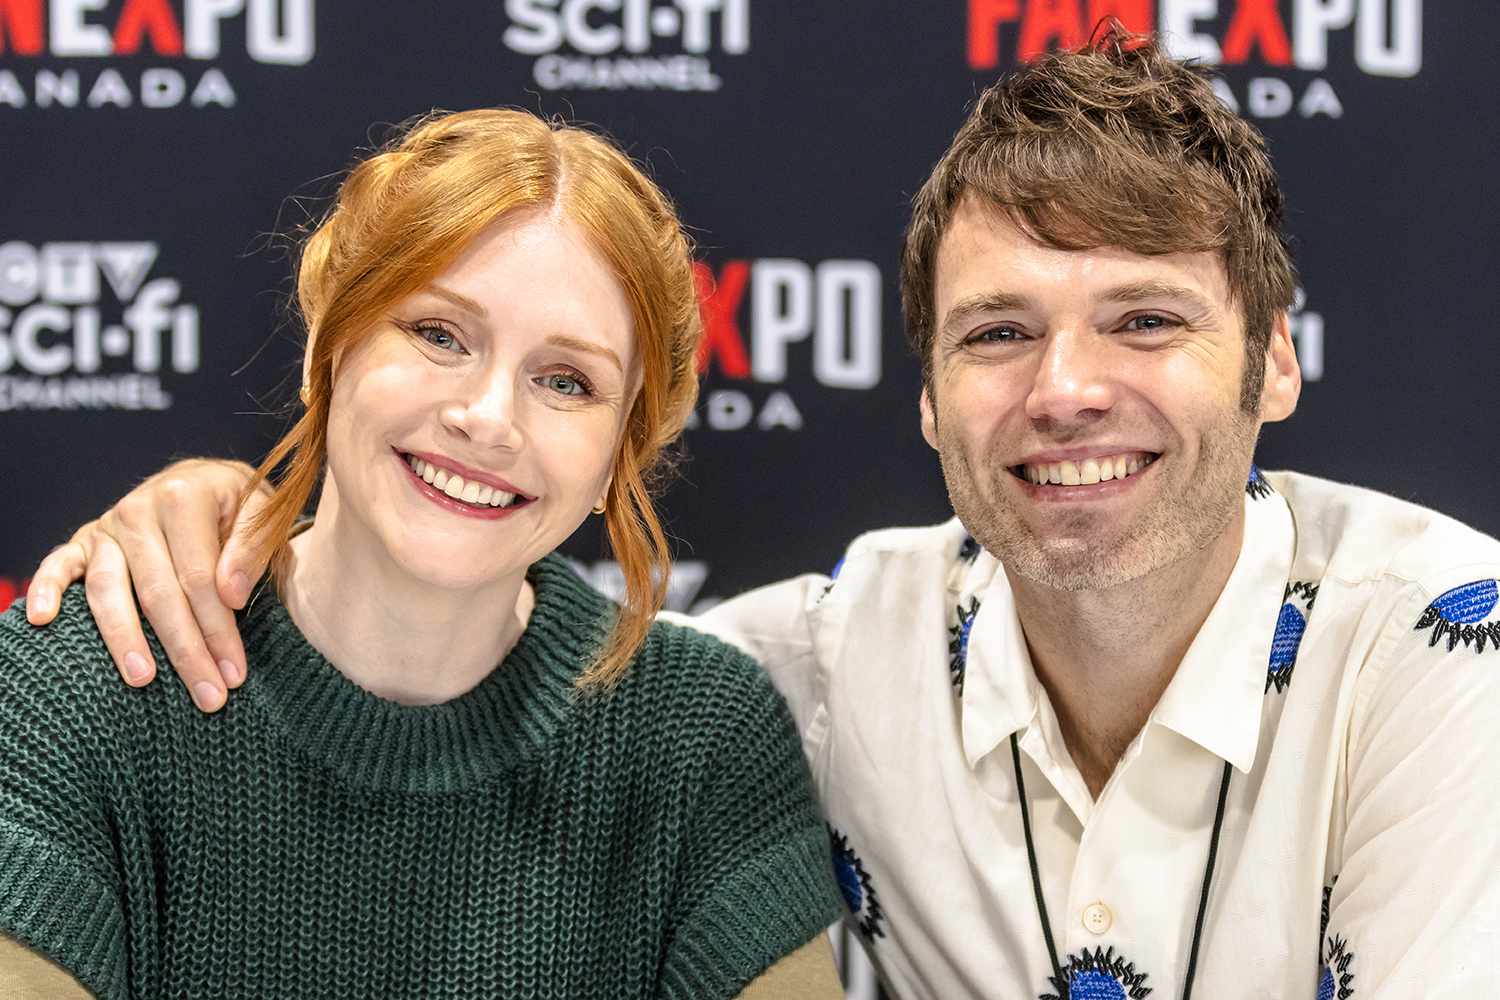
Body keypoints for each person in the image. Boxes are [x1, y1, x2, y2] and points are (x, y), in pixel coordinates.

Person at [23, 28, 1500, 999]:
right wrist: (220, 517)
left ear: (1281, 355)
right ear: (922, 397)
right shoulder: (794, 671)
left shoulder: (1448, 661)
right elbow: (510, 652)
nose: (1066, 389)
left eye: (1145, 319)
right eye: (996, 334)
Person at [0, 108, 847, 999]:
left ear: (620, 454)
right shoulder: (78, 688)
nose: (487, 416)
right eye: (439, 334)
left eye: (567, 381)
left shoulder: (701, 735)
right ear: (328, 345)